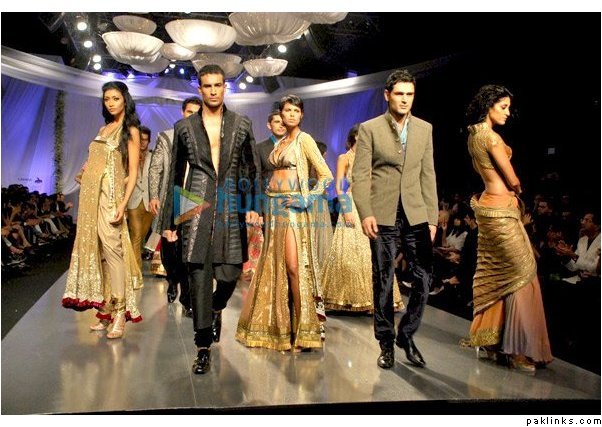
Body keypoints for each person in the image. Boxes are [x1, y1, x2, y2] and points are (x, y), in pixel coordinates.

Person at [158, 65, 260, 374]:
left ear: (225, 87)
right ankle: (202, 346)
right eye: (207, 86)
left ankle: (217, 306)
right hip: (194, 200)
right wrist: (169, 222)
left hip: (230, 201)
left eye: (218, 85)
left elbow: (250, 167)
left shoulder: (241, 123)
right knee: (198, 278)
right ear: (199, 89)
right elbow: (176, 174)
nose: (213, 90)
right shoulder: (184, 126)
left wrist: (252, 204)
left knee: (229, 274)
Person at [353, 69, 438, 369]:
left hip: (416, 213)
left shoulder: (424, 128)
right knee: (384, 279)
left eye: (409, 94)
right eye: (399, 94)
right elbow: (360, 175)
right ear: (387, 95)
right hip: (382, 213)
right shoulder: (370, 128)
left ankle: (407, 334)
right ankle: (386, 342)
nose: (404, 99)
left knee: (424, 277)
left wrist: (432, 218)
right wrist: (366, 212)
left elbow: (428, 175)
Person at [463, 84, 552, 371]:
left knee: (497, 273)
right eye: (503, 107)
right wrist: (518, 189)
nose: (508, 113)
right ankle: (519, 349)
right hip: (501, 209)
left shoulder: (473, 136)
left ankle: (491, 342)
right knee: (522, 273)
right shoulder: (491, 137)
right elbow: (512, 178)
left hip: (488, 208)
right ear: (488, 105)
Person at [236, 94, 333, 352]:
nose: (291, 115)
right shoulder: (281, 143)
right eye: (287, 110)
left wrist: (306, 198)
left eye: (295, 111)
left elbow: (326, 175)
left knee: (293, 267)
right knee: (276, 267)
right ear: (280, 114)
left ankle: (304, 331)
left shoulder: (304, 140)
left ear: (301, 115)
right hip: (273, 207)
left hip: (292, 209)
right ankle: (282, 329)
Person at [62, 81, 143, 339]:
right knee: (101, 254)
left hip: (110, 198)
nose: (110, 103)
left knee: (113, 252)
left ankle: (120, 311)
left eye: (115, 98)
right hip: (90, 198)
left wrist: (122, 204)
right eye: (107, 98)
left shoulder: (130, 130)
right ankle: (106, 308)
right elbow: (96, 161)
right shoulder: (103, 128)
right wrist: (86, 171)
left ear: (125, 100)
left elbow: (133, 173)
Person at [321, 124, 404, 312]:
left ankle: (372, 300)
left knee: (371, 253)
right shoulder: (344, 158)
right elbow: (339, 187)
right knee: (348, 254)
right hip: (352, 204)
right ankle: (346, 298)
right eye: (360, 135)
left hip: (371, 205)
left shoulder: (371, 158)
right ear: (353, 137)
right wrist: (346, 209)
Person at [149, 96, 202, 313]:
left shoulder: (206, 139)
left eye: (197, 113)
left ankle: (187, 299)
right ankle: (172, 279)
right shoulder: (167, 137)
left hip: (195, 199)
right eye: (189, 112)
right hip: (170, 198)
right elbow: (155, 168)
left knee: (190, 251)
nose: (192, 117)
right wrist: (154, 195)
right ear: (182, 112)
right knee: (170, 249)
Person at [127, 125, 154, 278]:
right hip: (133, 200)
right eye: (140, 139)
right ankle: (135, 272)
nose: (143, 142)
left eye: (145, 140)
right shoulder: (129, 156)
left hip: (149, 201)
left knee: (141, 237)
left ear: (149, 141)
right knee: (136, 235)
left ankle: (130, 265)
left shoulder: (153, 156)